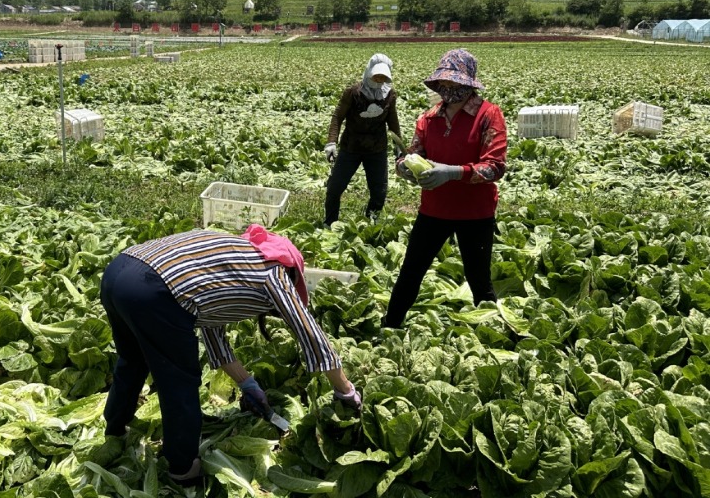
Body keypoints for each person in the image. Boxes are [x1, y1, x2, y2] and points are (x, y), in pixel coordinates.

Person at [100, 225, 361, 486]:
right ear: (294, 272)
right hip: (153, 292)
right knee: (178, 382)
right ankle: (182, 470)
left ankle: (115, 429)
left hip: (118, 271)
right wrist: (345, 390)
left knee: (132, 359)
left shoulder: (235, 259)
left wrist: (247, 383)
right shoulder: (275, 274)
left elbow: (212, 328)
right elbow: (312, 338)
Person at [386, 48, 507, 328]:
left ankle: (496, 333)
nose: (448, 89)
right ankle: (390, 325)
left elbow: (495, 167)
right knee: (411, 272)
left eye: (455, 84)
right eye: (445, 84)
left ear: (468, 84)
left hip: (475, 214)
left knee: (479, 280)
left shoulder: (489, 115)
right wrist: (404, 167)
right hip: (434, 210)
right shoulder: (428, 118)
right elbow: (413, 154)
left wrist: (453, 173)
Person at [323, 53, 403, 225]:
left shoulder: (389, 95)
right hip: (351, 146)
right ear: (368, 72)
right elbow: (338, 116)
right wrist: (331, 142)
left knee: (379, 191)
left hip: (377, 148)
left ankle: (370, 223)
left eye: (383, 76)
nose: (379, 79)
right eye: (376, 75)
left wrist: (399, 147)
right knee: (335, 188)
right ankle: (329, 222)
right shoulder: (353, 93)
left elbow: (393, 121)